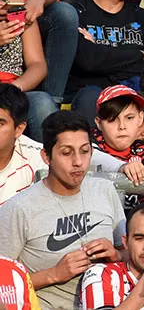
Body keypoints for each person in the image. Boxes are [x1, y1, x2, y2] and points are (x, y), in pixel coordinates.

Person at [0, 112, 126, 310]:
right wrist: (54, 274)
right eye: (67, 153)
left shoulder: (105, 189)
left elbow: (130, 256)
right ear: (46, 157)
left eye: (84, 151)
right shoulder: (19, 208)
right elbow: (3, 282)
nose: (78, 162)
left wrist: (116, 256)